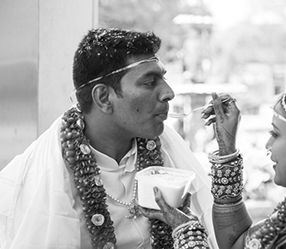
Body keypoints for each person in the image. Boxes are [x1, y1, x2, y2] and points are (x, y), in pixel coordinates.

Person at [0, 28, 218, 249]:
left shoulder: (165, 149)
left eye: (164, 78)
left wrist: (227, 150)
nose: (168, 92)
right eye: (150, 82)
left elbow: (226, 237)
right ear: (104, 97)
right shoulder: (47, 174)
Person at [140, 73, 286, 249]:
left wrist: (187, 232)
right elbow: (240, 245)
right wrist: (226, 148)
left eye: (275, 134)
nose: (268, 146)